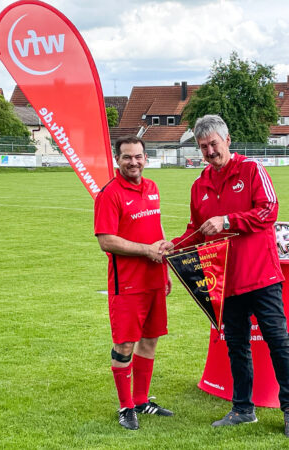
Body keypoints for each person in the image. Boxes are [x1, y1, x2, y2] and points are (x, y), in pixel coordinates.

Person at [169, 115, 289, 438]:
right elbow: (197, 230)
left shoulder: (252, 170)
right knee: (236, 346)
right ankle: (243, 409)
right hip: (225, 279)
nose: (209, 152)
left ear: (227, 140)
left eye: (214, 144)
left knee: (278, 342)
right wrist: (172, 246)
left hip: (261, 275)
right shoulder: (199, 184)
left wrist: (228, 220)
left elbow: (268, 210)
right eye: (203, 147)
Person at [94, 136, 173, 431]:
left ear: (146, 158)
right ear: (118, 160)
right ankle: (126, 407)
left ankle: (141, 400)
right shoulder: (109, 194)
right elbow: (106, 241)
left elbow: (157, 229)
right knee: (125, 343)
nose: (133, 162)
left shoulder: (152, 187)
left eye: (138, 156)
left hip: (154, 278)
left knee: (150, 339)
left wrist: (165, 268)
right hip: (127, 283)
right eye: (127, 157)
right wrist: (145, 250)